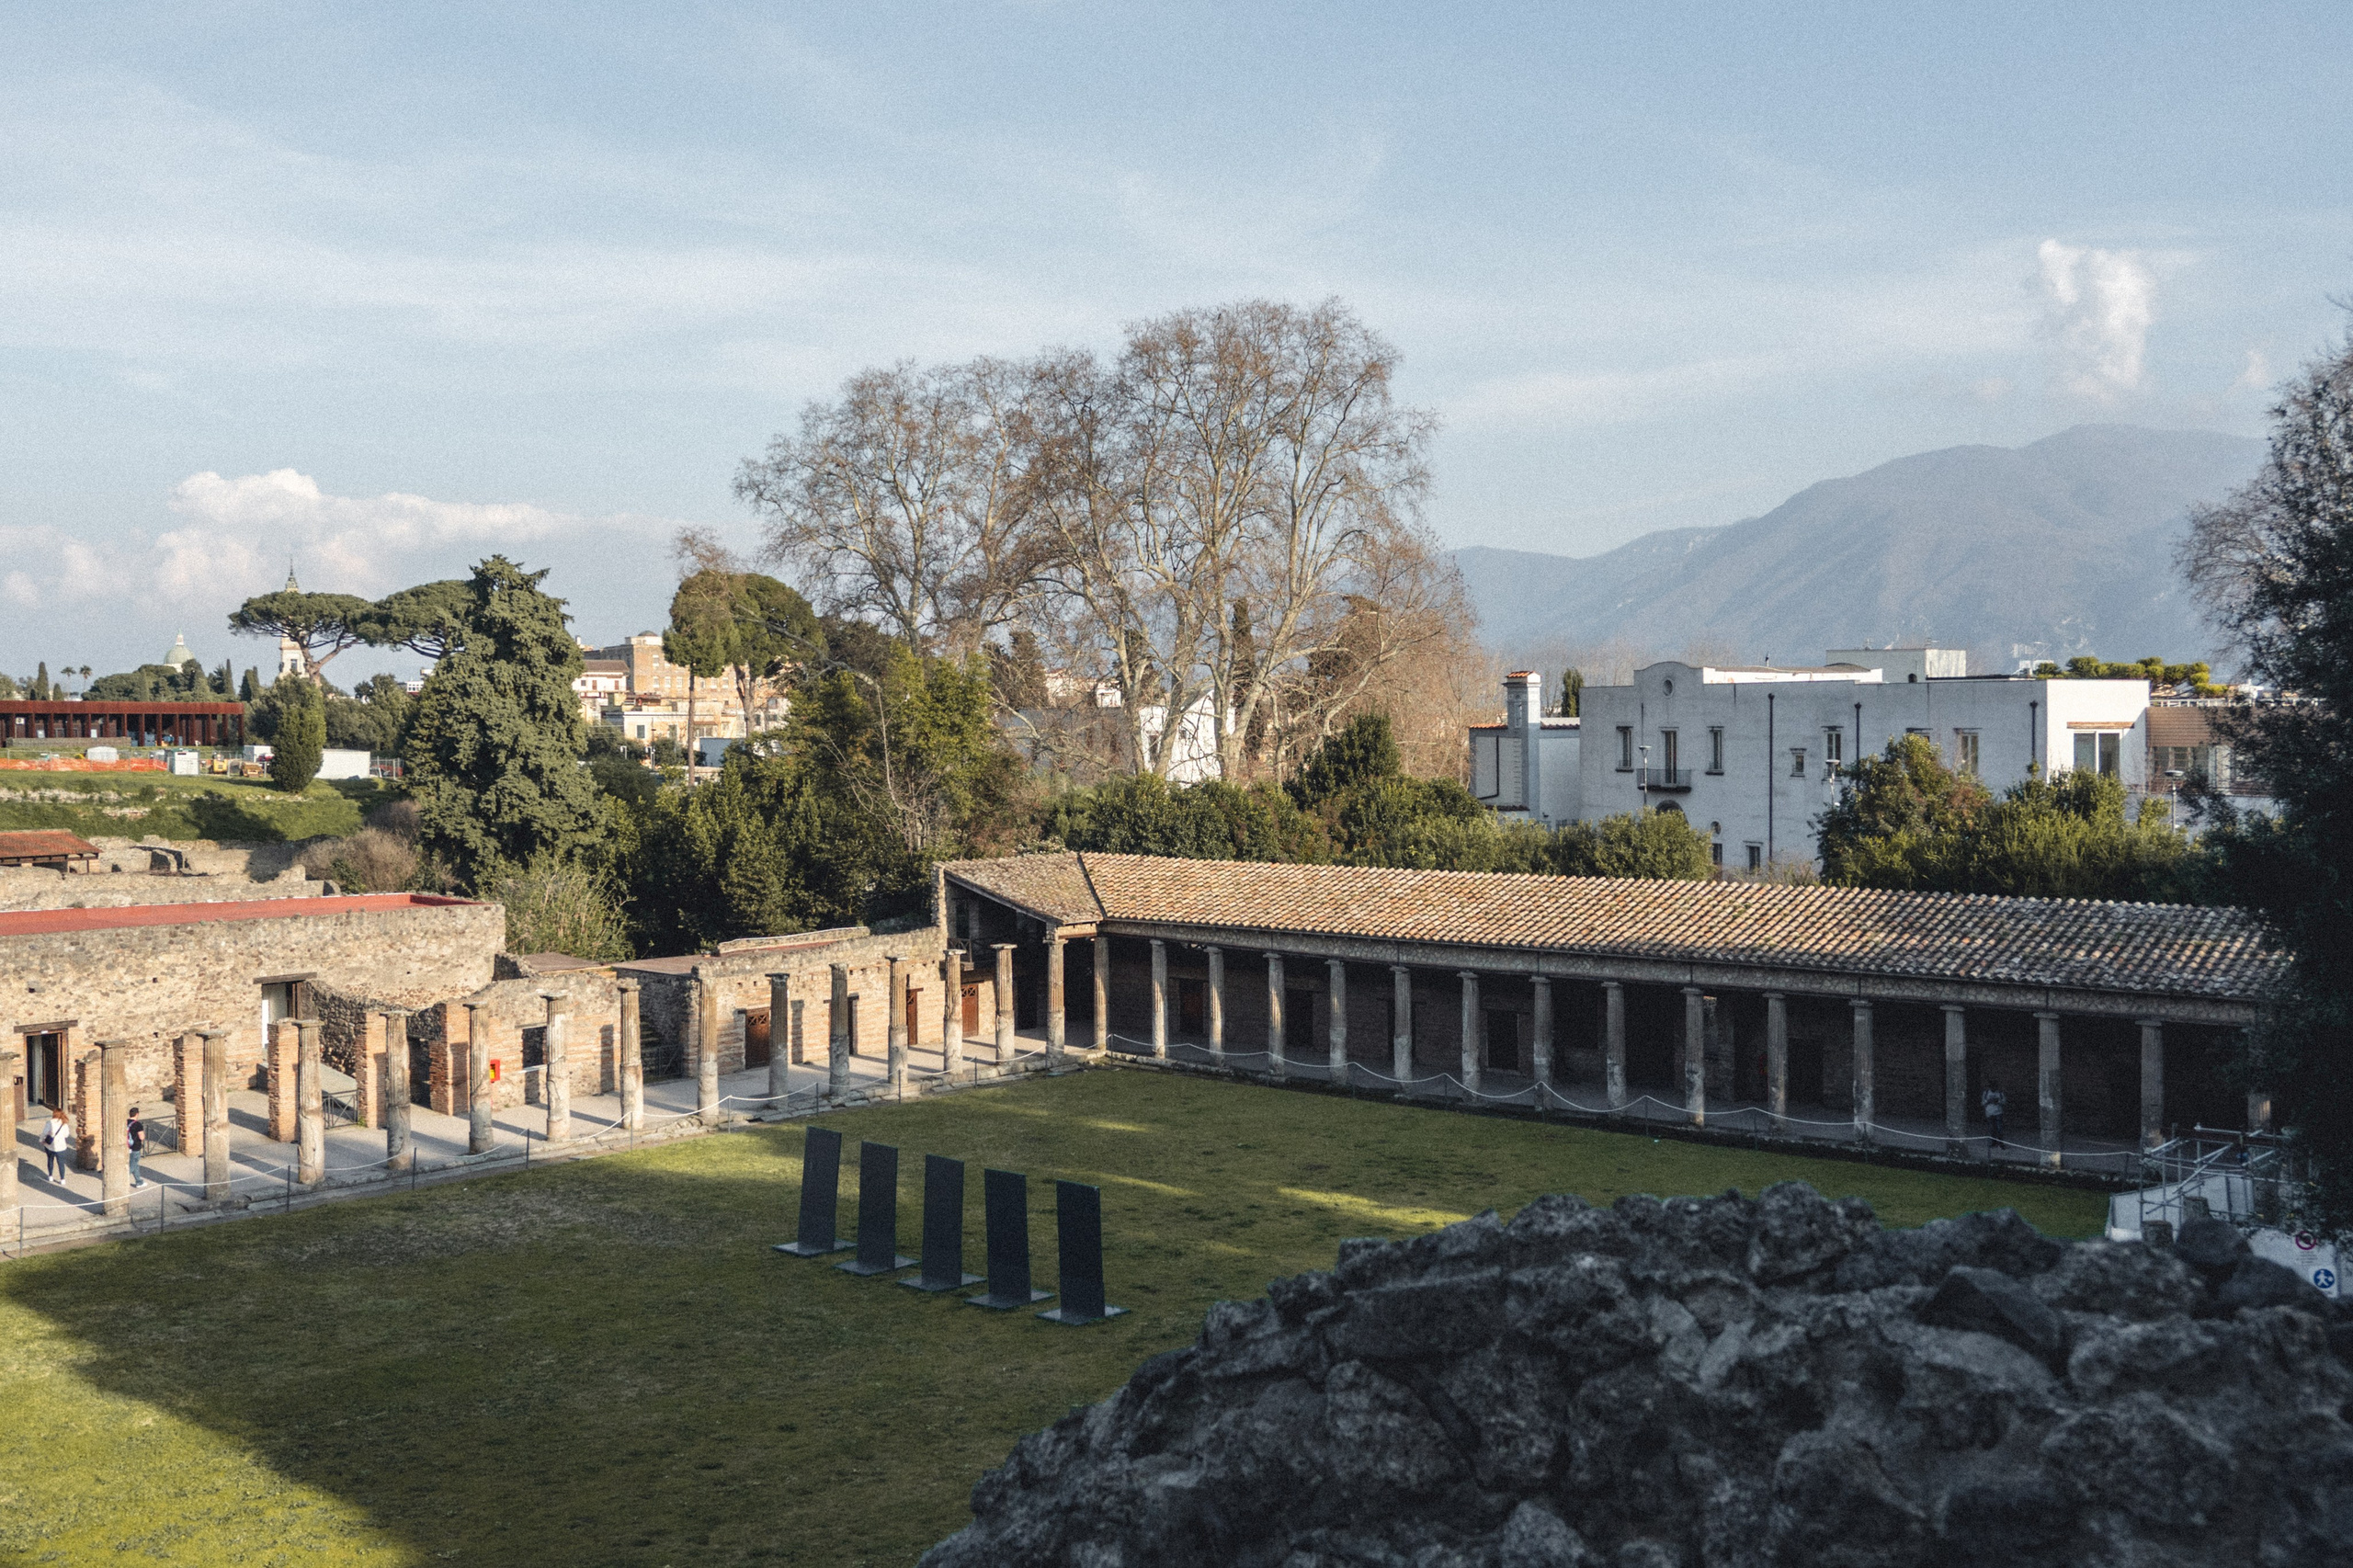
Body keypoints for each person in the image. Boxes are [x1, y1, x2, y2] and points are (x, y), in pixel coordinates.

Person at [40, 1110, 71, 1182]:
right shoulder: (64, 1124)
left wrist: (41, 1140)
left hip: (50, 1145)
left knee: (50, 1160)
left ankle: (50, 1176)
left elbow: (44, 1133)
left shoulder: (49, 1123)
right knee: (61, 1163)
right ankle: (62, 1179)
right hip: (61, 1146)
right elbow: (66, 1135)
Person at [1982, 1080, 2007, 1151]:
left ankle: (2001, 1143)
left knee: (1999, 1128)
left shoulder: (2000, 1093)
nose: (1993, 1089)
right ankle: (1993, 1142)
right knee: (1992, 1128)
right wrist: (1988, 1101)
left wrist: (1998, 1101)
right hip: (1989, 1113)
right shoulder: (1986, 1093)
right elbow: (1983, 1103)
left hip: (1998, 1113)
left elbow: (2004, 1102)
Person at [126, 1106, 147, 1188]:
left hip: (127, 1146)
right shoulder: (137, 1124)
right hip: (135, 1147)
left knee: (135, 1164)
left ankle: (139, 1182)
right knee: (133, 1164)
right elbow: (141, 1137)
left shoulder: (126, 1122)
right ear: (137, 1114)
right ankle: (121, 1180)